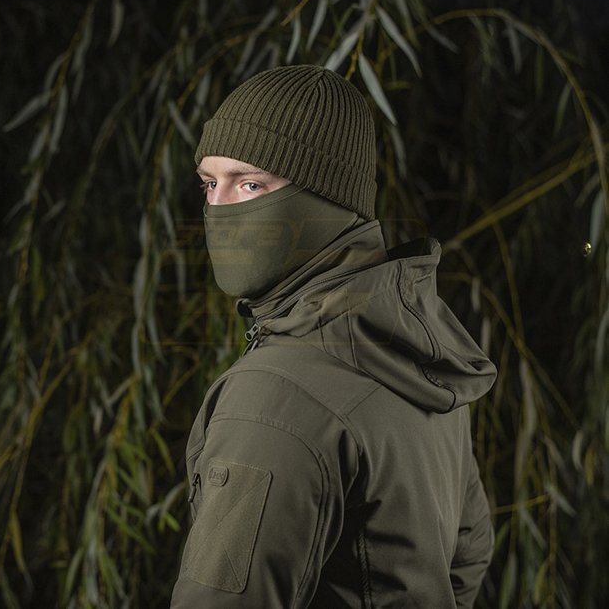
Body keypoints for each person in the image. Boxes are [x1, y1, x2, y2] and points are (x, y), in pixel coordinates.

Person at [170, 64, 496, 608]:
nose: (217, 209)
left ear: (323, 200)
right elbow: (467, 555)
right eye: (209, 183)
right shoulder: (425, 354)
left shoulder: (274, 395)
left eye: (250, 184)